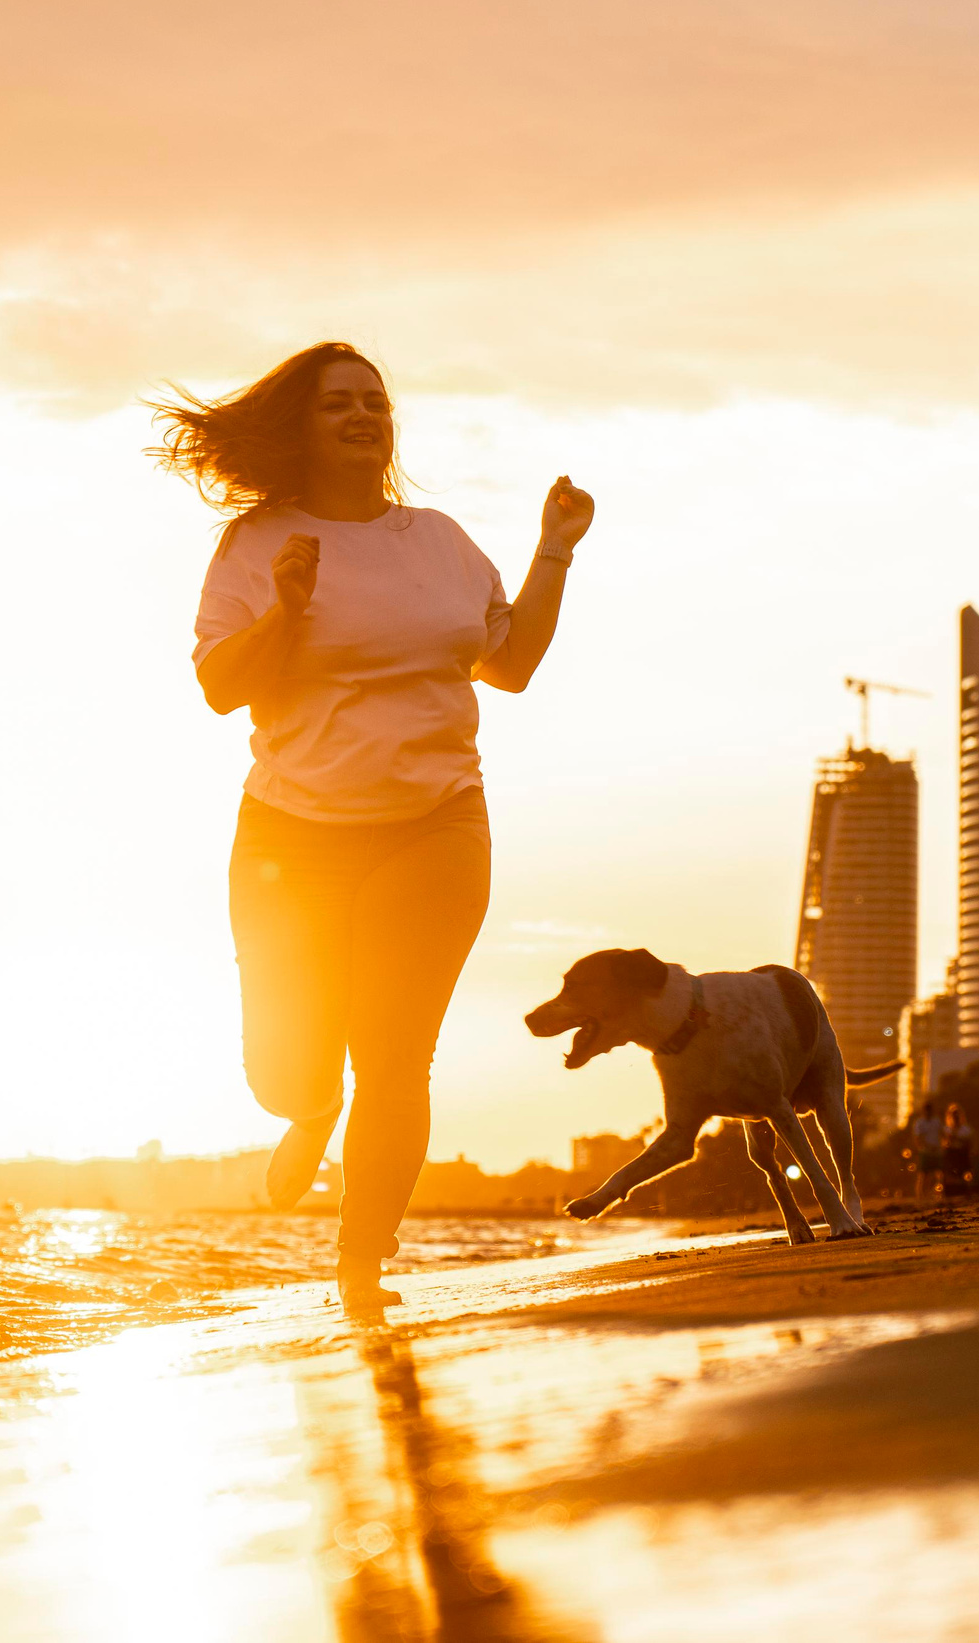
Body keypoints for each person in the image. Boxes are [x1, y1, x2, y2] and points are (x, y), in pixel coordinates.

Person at [156, 342, 593, 1310]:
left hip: (434, 826)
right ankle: (308, 1110)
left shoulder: (436, 541)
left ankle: (360, 1266)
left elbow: (509, 663)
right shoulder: (254, 545)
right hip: (289, 836)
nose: (363, 416)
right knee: (281, 1067)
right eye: (338, 405)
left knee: (394, 1055)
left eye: (375, 403)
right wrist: (285, 609)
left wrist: (553, 547)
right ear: (298, 429)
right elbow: (220, 687)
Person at [940, 1102, 975, 1197]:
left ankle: (966, 1191)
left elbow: (968, 1143)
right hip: (951, 1154)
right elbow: (944, 1143)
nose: (955, 1118)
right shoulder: (946, 1129)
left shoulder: (966, 1129)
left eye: (957, 1115)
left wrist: (955, 1138)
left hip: (962, 1154)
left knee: (964, 1174)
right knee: (949, 1174)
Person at [908, 1104, 944, 1200]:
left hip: (936, 1150)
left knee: (936, 1173)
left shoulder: (936, 1121)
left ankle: (932, 1193)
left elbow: (942, 1134)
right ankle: (920, 1194)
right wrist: (925, 1146)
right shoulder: (920, 1123)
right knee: (923, 1173)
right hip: (925, 1151)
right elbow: (918, 1138)